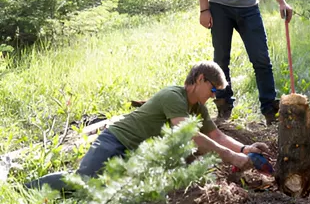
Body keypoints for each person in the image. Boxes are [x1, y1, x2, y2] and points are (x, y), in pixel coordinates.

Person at [26, 61, 270, 191]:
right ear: (199, 80)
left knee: (104, 193)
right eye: (214, 89)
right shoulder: (174, 96)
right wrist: (229, 156)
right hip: (115, 142)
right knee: (83, 182)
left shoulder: (198, 108)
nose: (215, 96)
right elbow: (189, 134)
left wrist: (244, 150)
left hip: (135, 155)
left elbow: (216, 134)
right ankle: (23, 190)